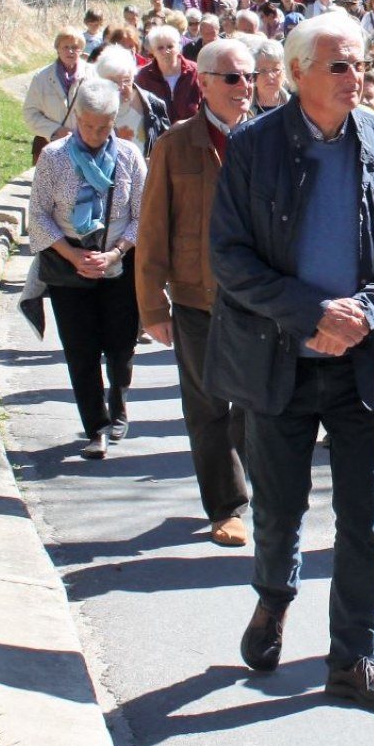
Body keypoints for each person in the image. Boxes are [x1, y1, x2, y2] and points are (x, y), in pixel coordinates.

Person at [205, 13, 374, 713]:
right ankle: (273, 600)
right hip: (278, 364)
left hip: (363, 366)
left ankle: (353, 657)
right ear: (299, 70)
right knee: (278, 512)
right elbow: (229, 258)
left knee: (366, 520)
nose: (355, 77)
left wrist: (364, 310)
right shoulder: (253, 149)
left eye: (361, 64)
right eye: (338, 65)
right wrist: (312, 312)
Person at [134, 39, 256, 547]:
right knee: (207, 406)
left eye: (249, 77)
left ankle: (253, 487)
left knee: (257, 401)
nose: (244, 87)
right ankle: (225, 506)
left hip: (257, 301)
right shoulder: (174, 145)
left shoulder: (269, 139)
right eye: (232, 78)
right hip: (194, 298)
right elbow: (153, 230)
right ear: (202, 82)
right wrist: (150, 305)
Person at [25, 79, 147, 461]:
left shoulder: (129, 156)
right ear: (77, 117)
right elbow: (40, 215)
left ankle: (118, 404)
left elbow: (143, 216)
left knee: (120, 345)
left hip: (117, 262)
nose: (95, 134)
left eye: (104, 126)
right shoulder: (54, 157)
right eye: (89, 125)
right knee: (81, 350)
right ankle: (96, 426)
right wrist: (72, 255)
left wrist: (115, 254)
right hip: (69, 264)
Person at [23, 30, 89, 164]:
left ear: (81, 50)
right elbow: (30, 113)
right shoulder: (41, 78)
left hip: (85, 149)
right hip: (52, 149)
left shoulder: (93, 75)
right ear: (57, 49)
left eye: (75, 47)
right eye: (66, 47)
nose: (70, 51)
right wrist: (55, 131)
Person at [95, 46, 169, 155]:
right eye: (114, 82)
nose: (121, 87)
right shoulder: (93, 105)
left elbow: (167, 145)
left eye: (126, 80)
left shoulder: (153, 104)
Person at [137, 24, 204, 122]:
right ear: (152, 51)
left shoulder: (195, 71)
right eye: (160, 48)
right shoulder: (144, 76)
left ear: (178, 47)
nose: (166, 51)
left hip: (192, 132)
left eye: (170, 46)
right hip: (160, 135)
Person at [252, 39, 289, 112]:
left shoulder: (296, 106)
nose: (270, 76)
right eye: (263, 71)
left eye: (275, 70)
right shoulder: (243, 107)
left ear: (284, 73)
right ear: (254, 74)